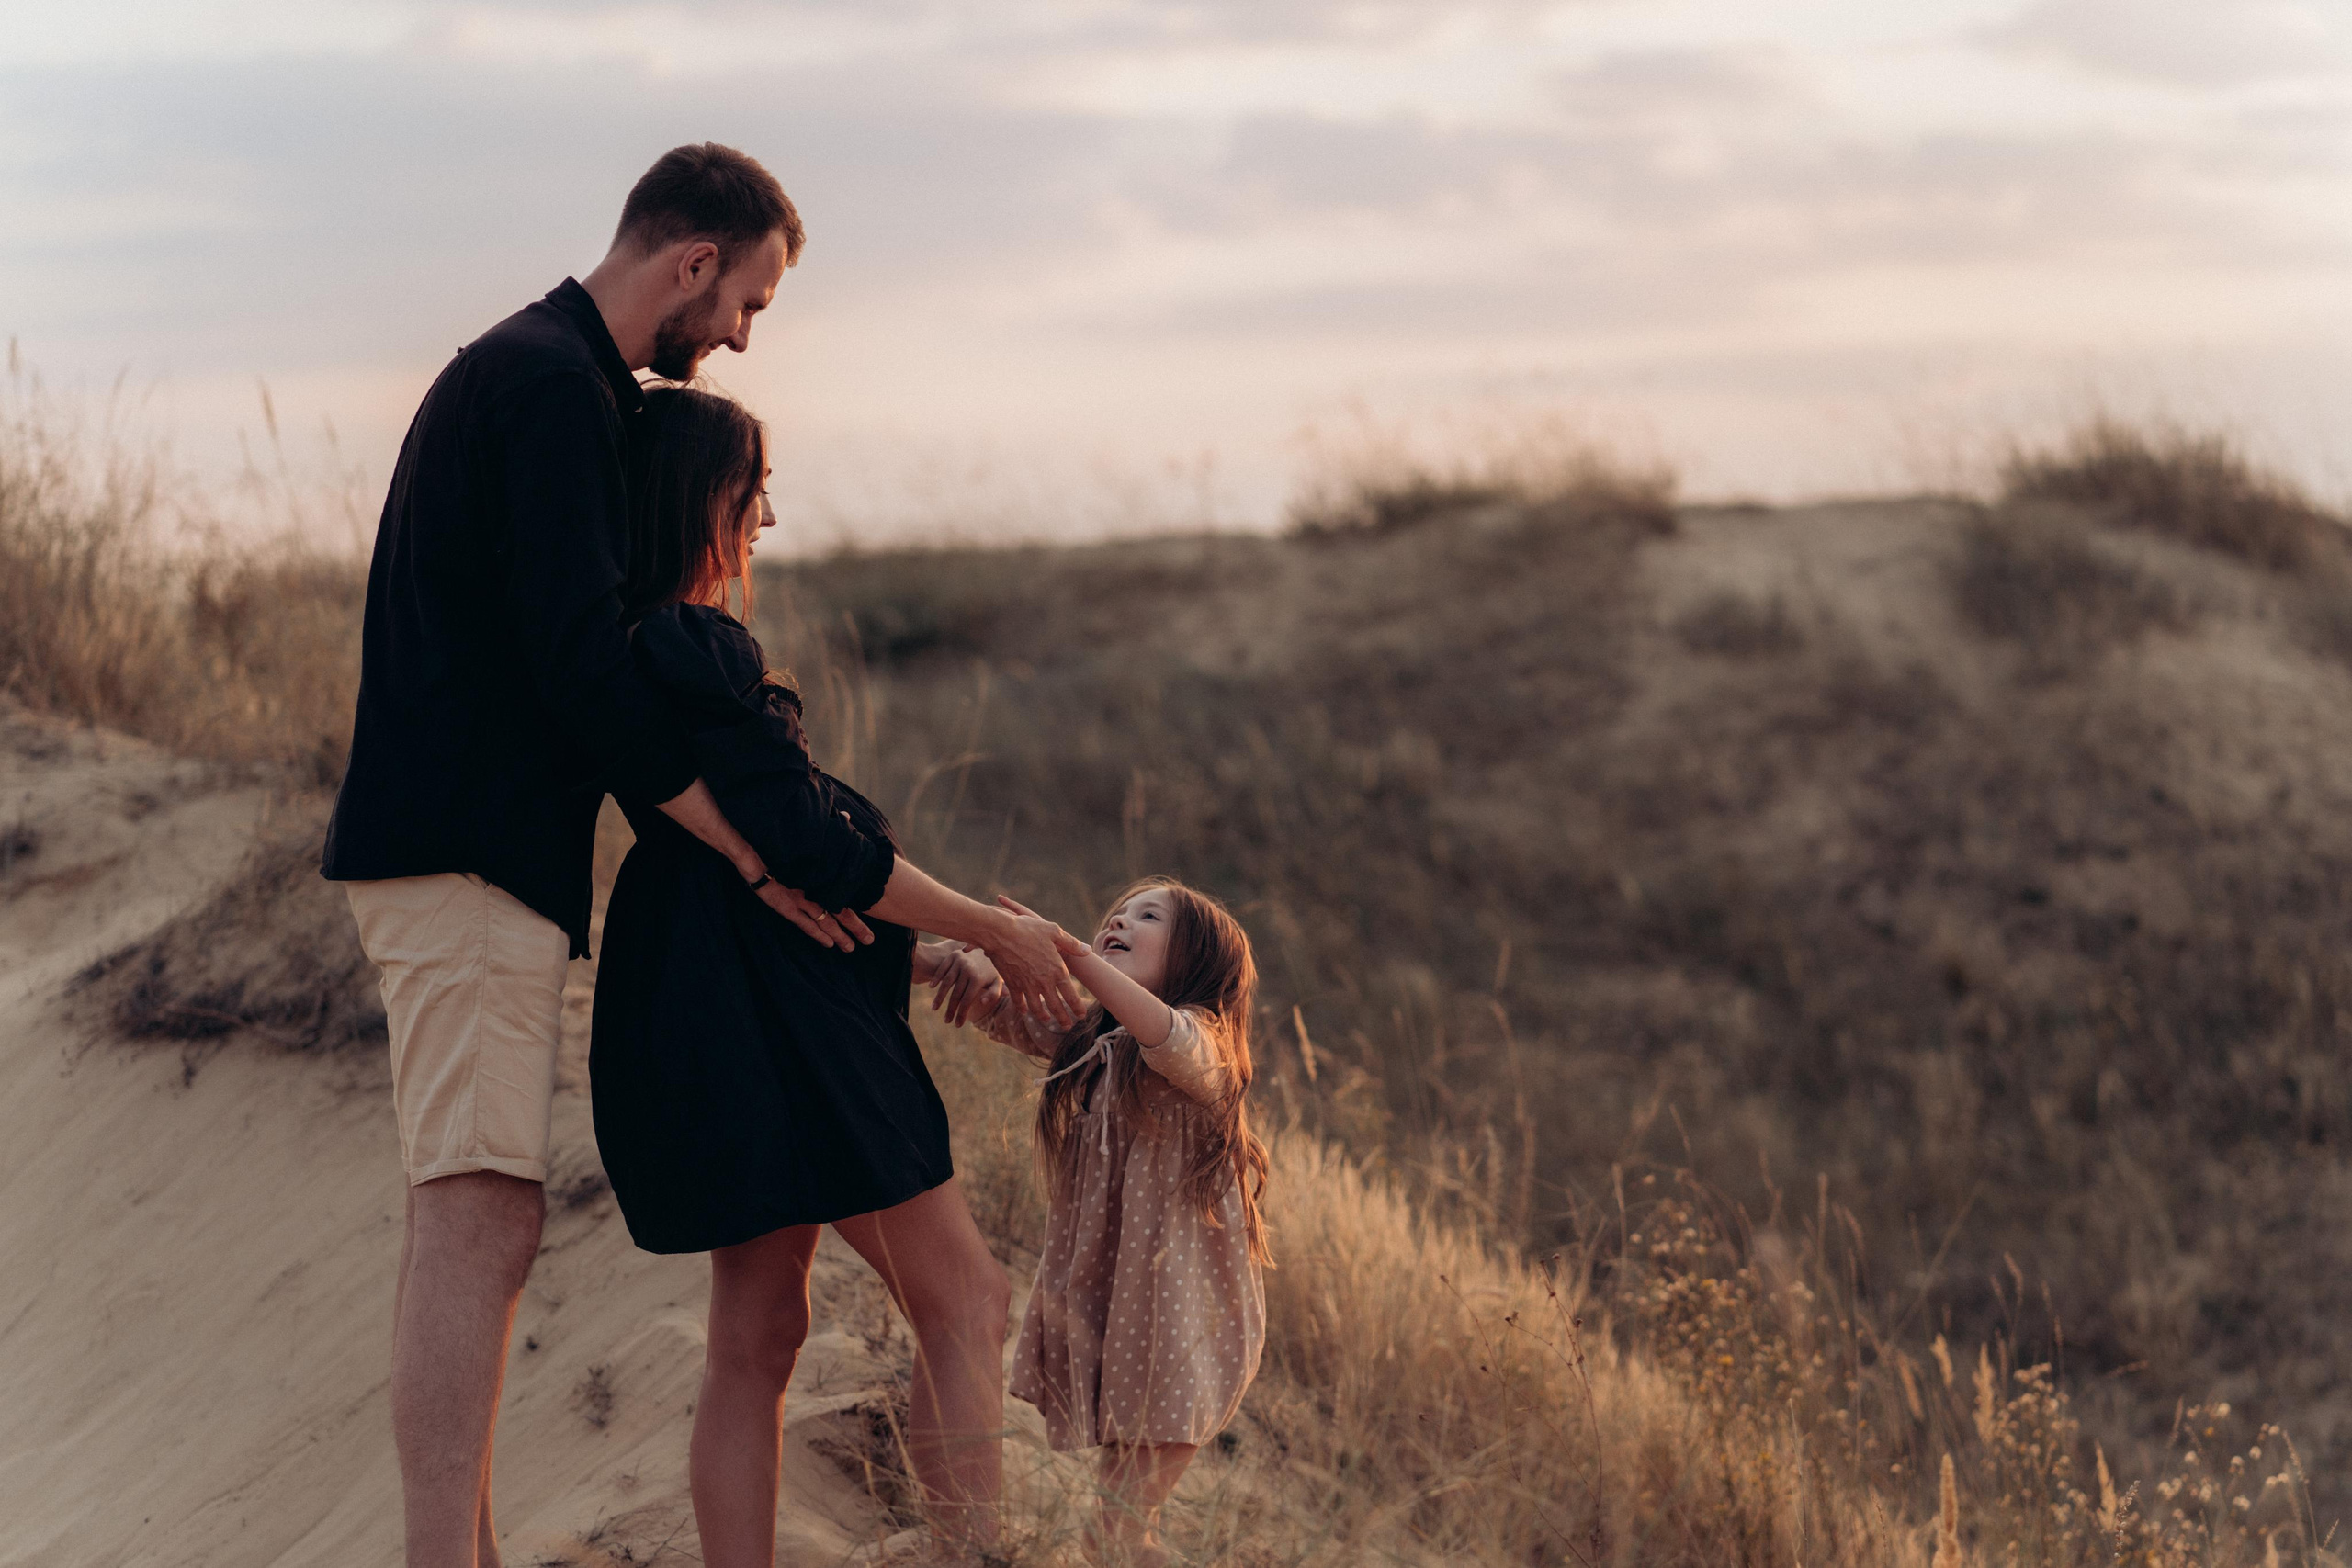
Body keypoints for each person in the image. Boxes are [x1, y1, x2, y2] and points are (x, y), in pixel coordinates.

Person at [320, 142, 1072, 1568]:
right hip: (462, 853)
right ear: (693, 261)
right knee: (476, 1212)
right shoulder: (554, 385)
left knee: (496, 1218)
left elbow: (587, 663)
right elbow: (583, 667)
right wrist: (750, 845)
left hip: (473, 852)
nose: (738, 335)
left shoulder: (546, 378)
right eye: (748, 303)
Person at [587, 385, 1079, 1564]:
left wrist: (926, 947)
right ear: (701, 498)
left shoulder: (643, 652)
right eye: (753, 491)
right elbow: (810, 850)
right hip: (786, 1038)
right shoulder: (695, 645)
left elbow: (777, 883)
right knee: (965, 1301)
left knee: (757, 1335)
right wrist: (995, 930)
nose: (767, 518)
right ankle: (973, 1558)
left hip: (713, 1012)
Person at [978, 880, 1273, 1568]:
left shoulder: (1203, 1047)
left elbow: (1166, 1034)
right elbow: (1005, 1008)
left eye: (1148, 916)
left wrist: (1075, 955)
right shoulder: (1098, 1045)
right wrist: (964, 954)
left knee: (1113, 1534)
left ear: (1198, 960)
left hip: (1186, 1328)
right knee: (1118, 1538)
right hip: (1124, 1322)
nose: (1119, 919)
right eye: (1118, 911)